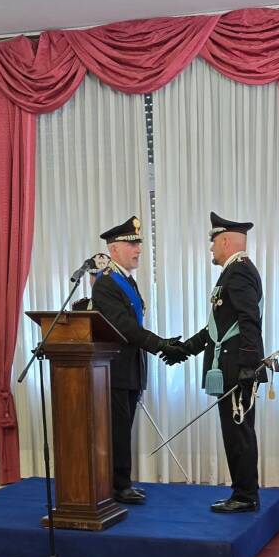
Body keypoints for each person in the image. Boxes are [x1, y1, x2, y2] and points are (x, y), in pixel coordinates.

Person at [91, 215, 187, 504]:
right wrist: (160, 344)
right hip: (115, 369)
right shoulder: (107, 284)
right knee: (118, 430)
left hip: (130, 367)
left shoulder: (126, 281)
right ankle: (118, 486)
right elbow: (125, 326)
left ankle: (122, 482)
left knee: (124, 427)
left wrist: (160, 345)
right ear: (114, 249)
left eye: (138, 244)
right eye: (132, 244)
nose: (138, 249)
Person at [177, 212, 266, 513]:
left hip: (236, 366)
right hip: (231, 363)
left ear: (226, 241)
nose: (211, 250)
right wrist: (187, 348)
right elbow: (219, 326)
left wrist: (248, 365)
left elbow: (249, 320)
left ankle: (245, 495)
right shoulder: (234, 271)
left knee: (238, 432)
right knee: (235, 432)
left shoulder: (238, 271)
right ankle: (243, 492)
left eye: (214, 243)